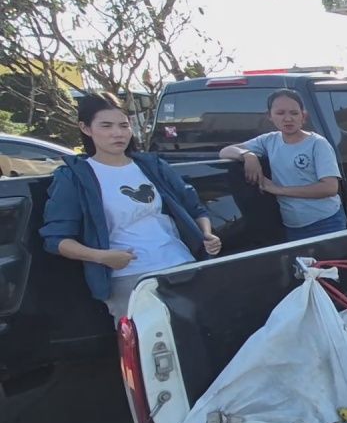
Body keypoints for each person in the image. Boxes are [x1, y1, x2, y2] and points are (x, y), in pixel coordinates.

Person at [40, 93, 222, 325]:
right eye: (106, 126)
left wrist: (206, 233)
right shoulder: (75, 176)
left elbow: (194, 206)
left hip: (180, 265)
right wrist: (102, 257)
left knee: (200, 337)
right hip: (129, 278)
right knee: (149, 351)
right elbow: (56, 239)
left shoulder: (151, 165)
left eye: (123, 125)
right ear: (86, 128)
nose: (118, 133)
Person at [220, 89, 346, 241]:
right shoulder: (268, 141)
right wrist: (248, 155)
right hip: (292, 227)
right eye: (280, 113)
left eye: (294, 113)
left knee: (326, 265)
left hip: (326, 222)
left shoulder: (317, 143)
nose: (288, 119)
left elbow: (330, 188)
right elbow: (225, 151)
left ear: (303, 116)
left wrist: (278, 190)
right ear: (270, 116)